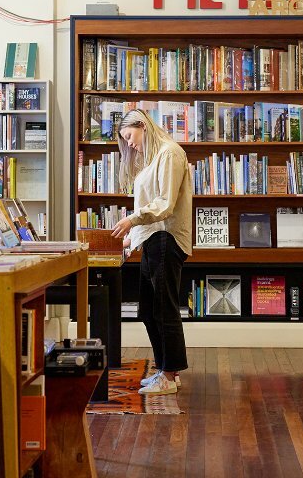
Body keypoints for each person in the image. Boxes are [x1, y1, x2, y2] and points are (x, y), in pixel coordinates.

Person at [111, 109, 193, 395]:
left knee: (163, 309)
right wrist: (130, 237)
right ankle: (164, 370)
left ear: (142, 125)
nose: (130, 144)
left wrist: (132, 221)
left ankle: (169, 376)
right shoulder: (152, 158)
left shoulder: (169, 153)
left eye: (130, 136)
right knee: (148, 310)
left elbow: (165, 204)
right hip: (152, 240)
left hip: (166, 239)